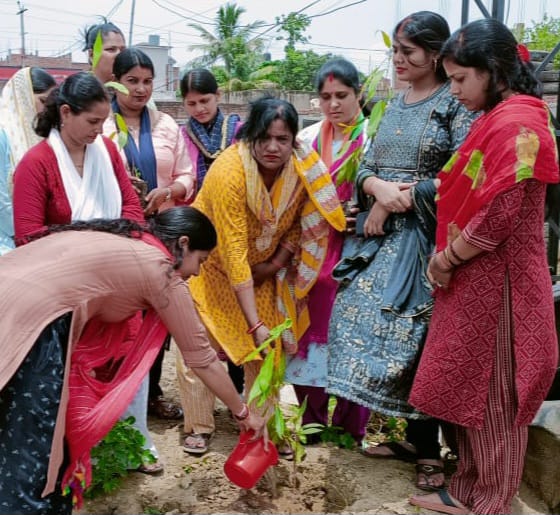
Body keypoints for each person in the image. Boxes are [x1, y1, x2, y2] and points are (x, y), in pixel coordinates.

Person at [0, 206, 266, 515]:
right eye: (200, 260)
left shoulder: (121, 240)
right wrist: (243, 412)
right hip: (31, 321)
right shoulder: (160, 270)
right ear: (182, 243)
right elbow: (201, 357)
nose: (196, 272)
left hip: (15, 303)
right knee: (33, 447)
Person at [408, 18, 559, 515]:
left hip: (504, 287)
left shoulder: (520, 124)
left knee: (496, 396)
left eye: (459, 79)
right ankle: (469, 489)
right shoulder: (500, 118)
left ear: (492, 70)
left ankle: (494, 501)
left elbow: (499, 217)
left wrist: (445, 259)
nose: (453, 91)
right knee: (469, 389)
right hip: (476, 280)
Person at [326, 11, 478, 491]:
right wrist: (375, 188)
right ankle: (411, 438)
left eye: (407, 52)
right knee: (352, 316)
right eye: (395, 51)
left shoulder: (453, 105)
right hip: (381, 240)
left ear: (435, 54)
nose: (398, 60)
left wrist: (400, 200)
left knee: (416, 339)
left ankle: (433, 450)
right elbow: (366, 163)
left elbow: (463, 172)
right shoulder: (393, 104)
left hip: (427, 243)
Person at [181, 95, 346, 455]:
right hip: (212, 266)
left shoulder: (303, 170)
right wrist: (253, 321)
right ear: (250, 137)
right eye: (265, 138)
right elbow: (233, 248)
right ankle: (198, 425)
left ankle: (263, 426)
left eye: (282, 139)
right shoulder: (229, 172)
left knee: (267, 351)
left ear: (294, 142)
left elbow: (298, 224)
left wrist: (272, 266)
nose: (273, 147)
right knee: (202, 348)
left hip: (266, 269)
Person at [103, 47, 195, 463]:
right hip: (116, 234)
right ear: (117, 81)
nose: (140, 89)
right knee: (120, 317)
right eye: (133, 81)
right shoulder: (101, 123)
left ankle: (151, 392)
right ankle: (111, 399)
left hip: (161, 232)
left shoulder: (167, 126)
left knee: (156, 317)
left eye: (147, 81)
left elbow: (187, 174)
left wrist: (170, 191)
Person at [284, 58, 371, 445]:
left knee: (354, 334)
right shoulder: (307, 140)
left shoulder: (375, 136)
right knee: (309, 331)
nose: (333, 104)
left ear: (359, 95)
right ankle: (313, 421)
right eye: (325, 97)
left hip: (361, 247)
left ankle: (352, 426)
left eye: (342, 95)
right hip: (313, 251)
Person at [178, 68, 245, 451]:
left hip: (235, 238)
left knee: (237, 325)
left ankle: (238, 410)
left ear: (218, 97)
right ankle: (198, 424)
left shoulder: (238, 132)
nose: (200, 109)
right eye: (191, 103)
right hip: (194, 243)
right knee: (196, 329)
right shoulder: (180, 134)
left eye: (205, 100)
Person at [12, 71, 143, 242]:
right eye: (93, 122)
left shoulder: (107, 150)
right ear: (66, 112)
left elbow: (132, 207)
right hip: (60, 263)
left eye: (103, 122)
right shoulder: (36, 163)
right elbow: (28, 235)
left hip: (116, 255)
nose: (100, 130)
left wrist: (113, 245)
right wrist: (87, 246)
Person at [0, 67, 56, 254]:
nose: (47, 109)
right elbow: (2, 203)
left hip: (38, 236)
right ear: (22, 97)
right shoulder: (2, 135)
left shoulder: (43, 136)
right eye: (42, 101)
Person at [83, 19, 126, 84]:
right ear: (92, 55)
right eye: (111, 49)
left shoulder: (131, 90)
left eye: (123, 50)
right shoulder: (75, 90)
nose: (119, 55)